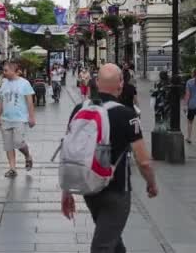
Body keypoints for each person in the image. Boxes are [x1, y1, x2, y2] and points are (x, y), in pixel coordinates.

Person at [61, 64, 158, 253]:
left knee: (111, 239)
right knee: (104, 245)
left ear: (97, 83)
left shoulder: (79, 109)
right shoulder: (127, 115)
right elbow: (144, 161)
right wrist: (151, 183)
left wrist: (67, 190)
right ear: (120, 85)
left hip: (89, 188)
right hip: (116, 190)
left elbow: (69, 151)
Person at [0, 61, 36, 178]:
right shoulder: (4, 83)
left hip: (20, 118)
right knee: (8, 145)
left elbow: (29, 101)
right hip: (6, 119)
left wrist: (31, 117)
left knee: (18, 142)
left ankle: (27, 155)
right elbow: (0, 101)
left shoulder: (25, 83)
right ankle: (12, 168)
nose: (4, 72)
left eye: (6, 70)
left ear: (13, 70)